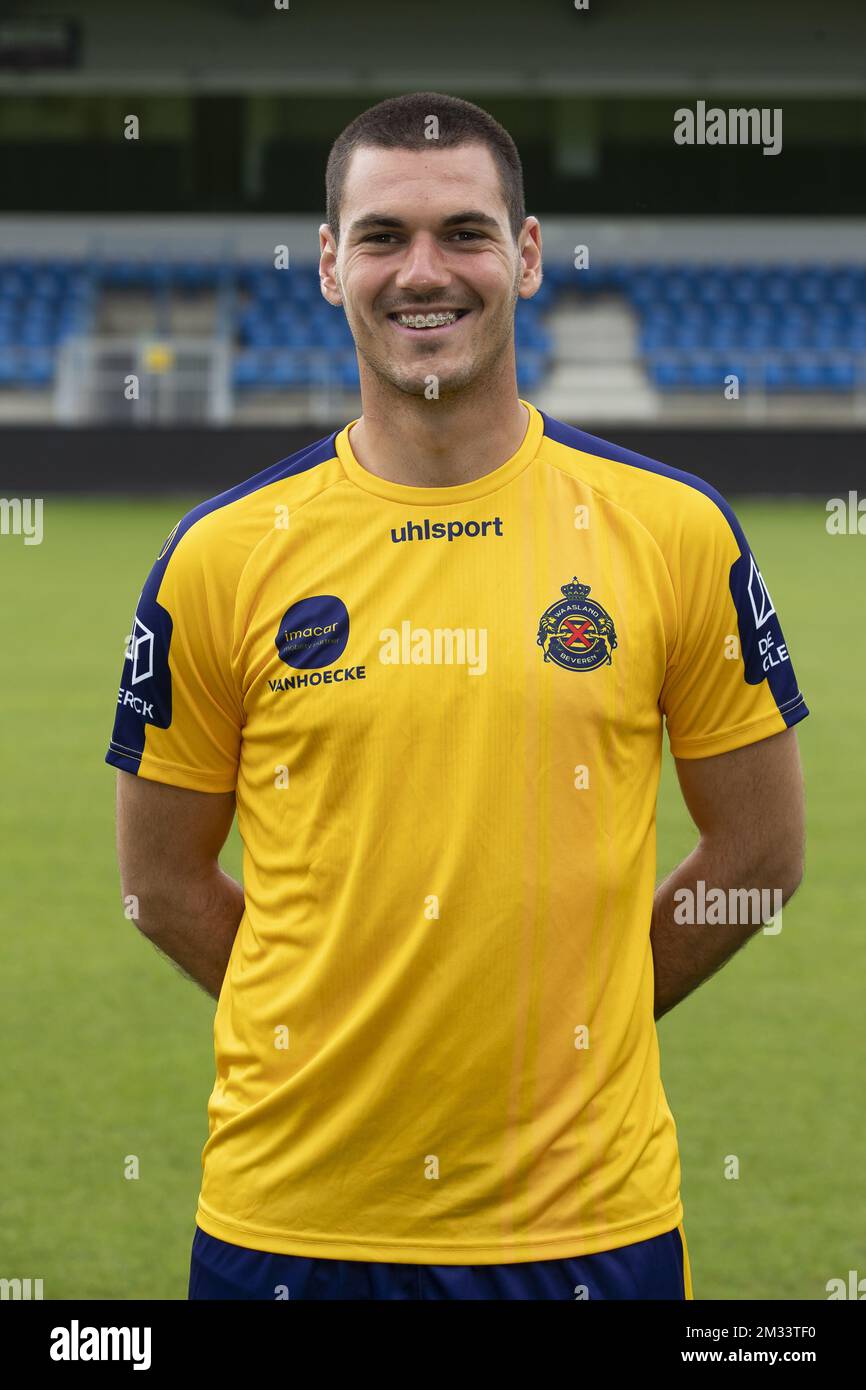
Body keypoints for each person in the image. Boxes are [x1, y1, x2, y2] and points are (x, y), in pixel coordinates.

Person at [106, 92, 808, 1301]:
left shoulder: (672, 530)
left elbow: (760, 849)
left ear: (525, 256)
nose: (421, 272)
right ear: (328, 266)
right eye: (380, 236)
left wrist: (579, 1018)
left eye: (464, 234)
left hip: (584, 1228)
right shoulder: (219, 555)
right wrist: (341, 1022)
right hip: (292, 1224)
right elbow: (158, 885)